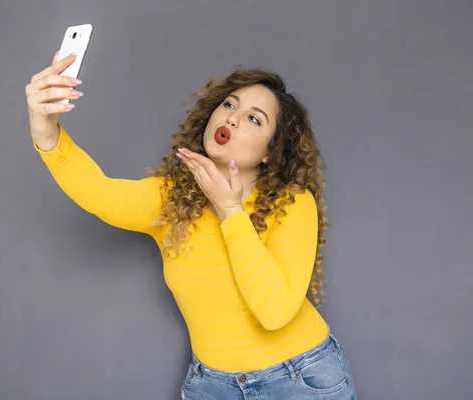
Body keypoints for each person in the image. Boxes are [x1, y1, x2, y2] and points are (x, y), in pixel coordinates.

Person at [25, 52, 357, 399]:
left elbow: (275, 312)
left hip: (299, 378)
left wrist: (229, 209)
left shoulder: (292, 202)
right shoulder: (172, 198)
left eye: (254, 120)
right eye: (230, 104)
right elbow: (100, 195)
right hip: (212, 385)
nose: (233, 118)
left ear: (269, 153)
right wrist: (47, 134)